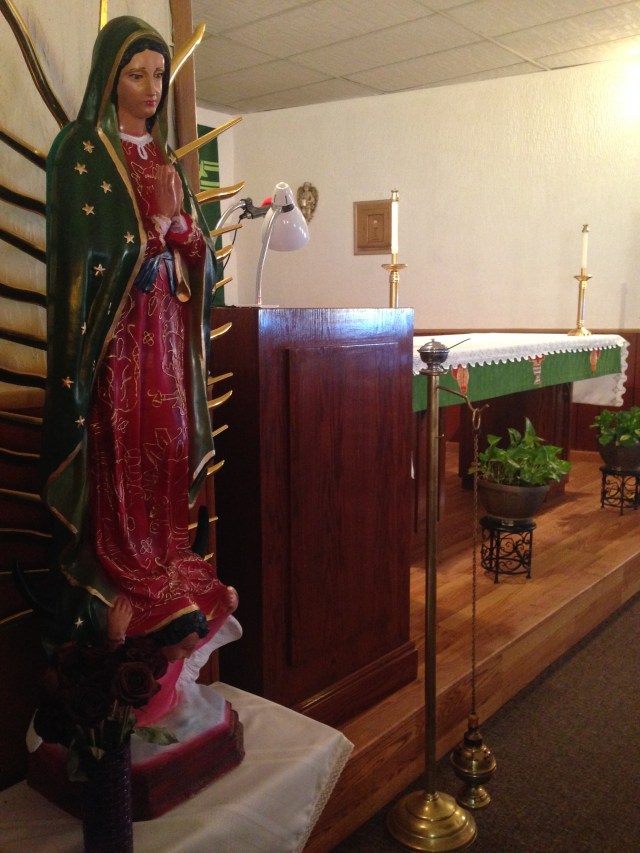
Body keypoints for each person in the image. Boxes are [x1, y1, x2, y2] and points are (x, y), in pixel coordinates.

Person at [40, 16, 238, 666]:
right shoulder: (83, 153)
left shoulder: (166, 159)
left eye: (158, 74)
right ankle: (126, 569)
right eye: (136, 74)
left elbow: (200, 257)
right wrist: (153, 229)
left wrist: (181, 234)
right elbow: (83, 255)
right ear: (110, 77)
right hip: (115, 343)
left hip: (166, 342)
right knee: (121, 447)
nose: (152, 88)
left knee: (170, 441)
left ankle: (167, 559)